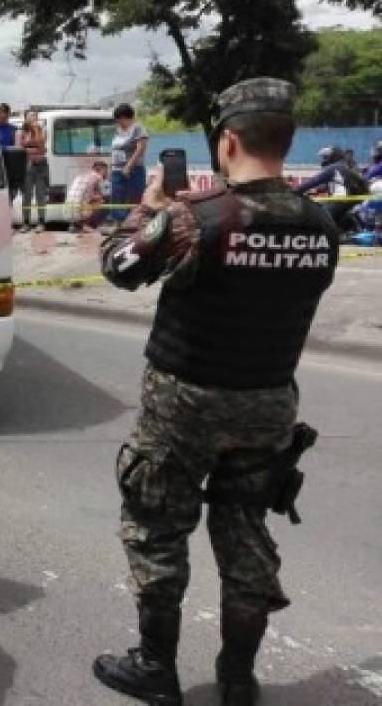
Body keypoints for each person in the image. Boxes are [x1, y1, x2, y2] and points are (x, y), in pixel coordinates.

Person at [92, 78, 339, 706]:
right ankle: (237, 681)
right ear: (287, 142)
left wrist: (148, 209)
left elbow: (118, 267)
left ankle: (155, 668)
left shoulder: (196, 220)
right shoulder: (321, 225)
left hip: (186, 405)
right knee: (246, 530)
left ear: (228, 141)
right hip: (268, 404)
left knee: (157, 528)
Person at [296, 146, 369, 234]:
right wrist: (312, 192)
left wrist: (295, 191)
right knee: (335, 215)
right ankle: (352, 229)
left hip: (340, 199)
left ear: (333, 157)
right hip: (347, 201)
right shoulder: (343, 167)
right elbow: (328, 185)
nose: (323, 160)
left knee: (318, 213)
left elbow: (313, 181)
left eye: (326, 157)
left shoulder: (334, 168)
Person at [110, 103, 149, 222]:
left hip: (133, 169)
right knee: (116, 197)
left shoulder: (138, 128)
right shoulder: (118, 131)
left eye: (119, 119)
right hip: (116, 169)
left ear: (125, 117)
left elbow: (140, 148)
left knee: (134, 197)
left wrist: (129, 166)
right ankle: (120, 222)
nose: (118, 122)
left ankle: (133, 222)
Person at [16, 109, 49, 230]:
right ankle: (26, 222)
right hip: (26, 164)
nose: (33, 118)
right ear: (25, 118)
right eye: (30, 116)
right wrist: (36, 149)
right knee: (27, 194)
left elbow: (42, 146)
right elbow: (19, 148)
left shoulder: (42, 130)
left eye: (35, 116)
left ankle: (41, 221)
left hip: (41, 164)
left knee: (41, 193)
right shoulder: (20, 132)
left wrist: (30, 145)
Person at [66, 160, 110, 232]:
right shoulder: (98, 177)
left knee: (91, 198)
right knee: (107, 200)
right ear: (103, 170)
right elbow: (105, 194)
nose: (107, 173)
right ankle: (89, 226)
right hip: (80, 211)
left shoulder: (80, 176)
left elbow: (86, 194)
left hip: (68, 211)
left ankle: (77, 225)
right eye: (106, 171)